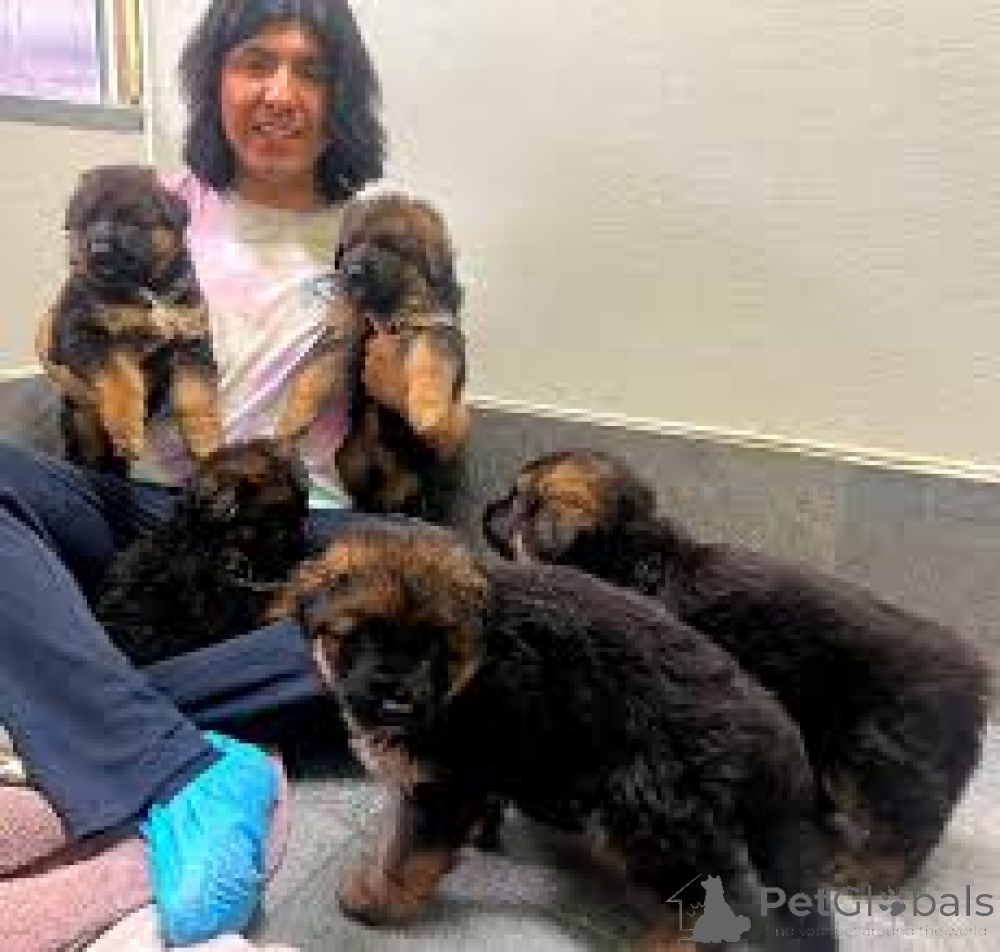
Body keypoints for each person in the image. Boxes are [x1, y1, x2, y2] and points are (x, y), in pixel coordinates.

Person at [0, 0, 402, 945]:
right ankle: (185, 762)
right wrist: (73, 349)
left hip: (292, 524)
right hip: (134, 505)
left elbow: (422, 388)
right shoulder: (157, 201)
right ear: (214, 76)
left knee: (444, 587)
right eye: (255, 62)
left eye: (310, 71)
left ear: (341, 95)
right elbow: (61, 343)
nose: (279, 93)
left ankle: (62, 703)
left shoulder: (369, 231)